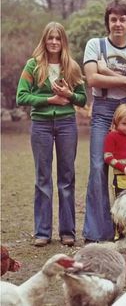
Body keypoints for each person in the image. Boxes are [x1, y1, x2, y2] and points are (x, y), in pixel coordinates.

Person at [16, 22, 87, 247]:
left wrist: (69, 94)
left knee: (67, 178)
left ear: (63, 41)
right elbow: (21, 97)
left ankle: (67, 231)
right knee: (42, 178)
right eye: (50, 38)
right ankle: (42, 232)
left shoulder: (71, 67)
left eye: (58, 38)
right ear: (44, 40)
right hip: (41, 125)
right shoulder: (33, 66)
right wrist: (49, 100)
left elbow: (83, 99)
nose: (54, 42)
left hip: (67, 123)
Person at [82, 0, 126, 243]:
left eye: (122, 19)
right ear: (107, 22)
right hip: (102, 110)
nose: (118, 24)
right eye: (113, 19)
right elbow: (92, 79)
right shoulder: (94, 45)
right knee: (98, 167)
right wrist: (125, 80)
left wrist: (106, 71)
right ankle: (97, 232)